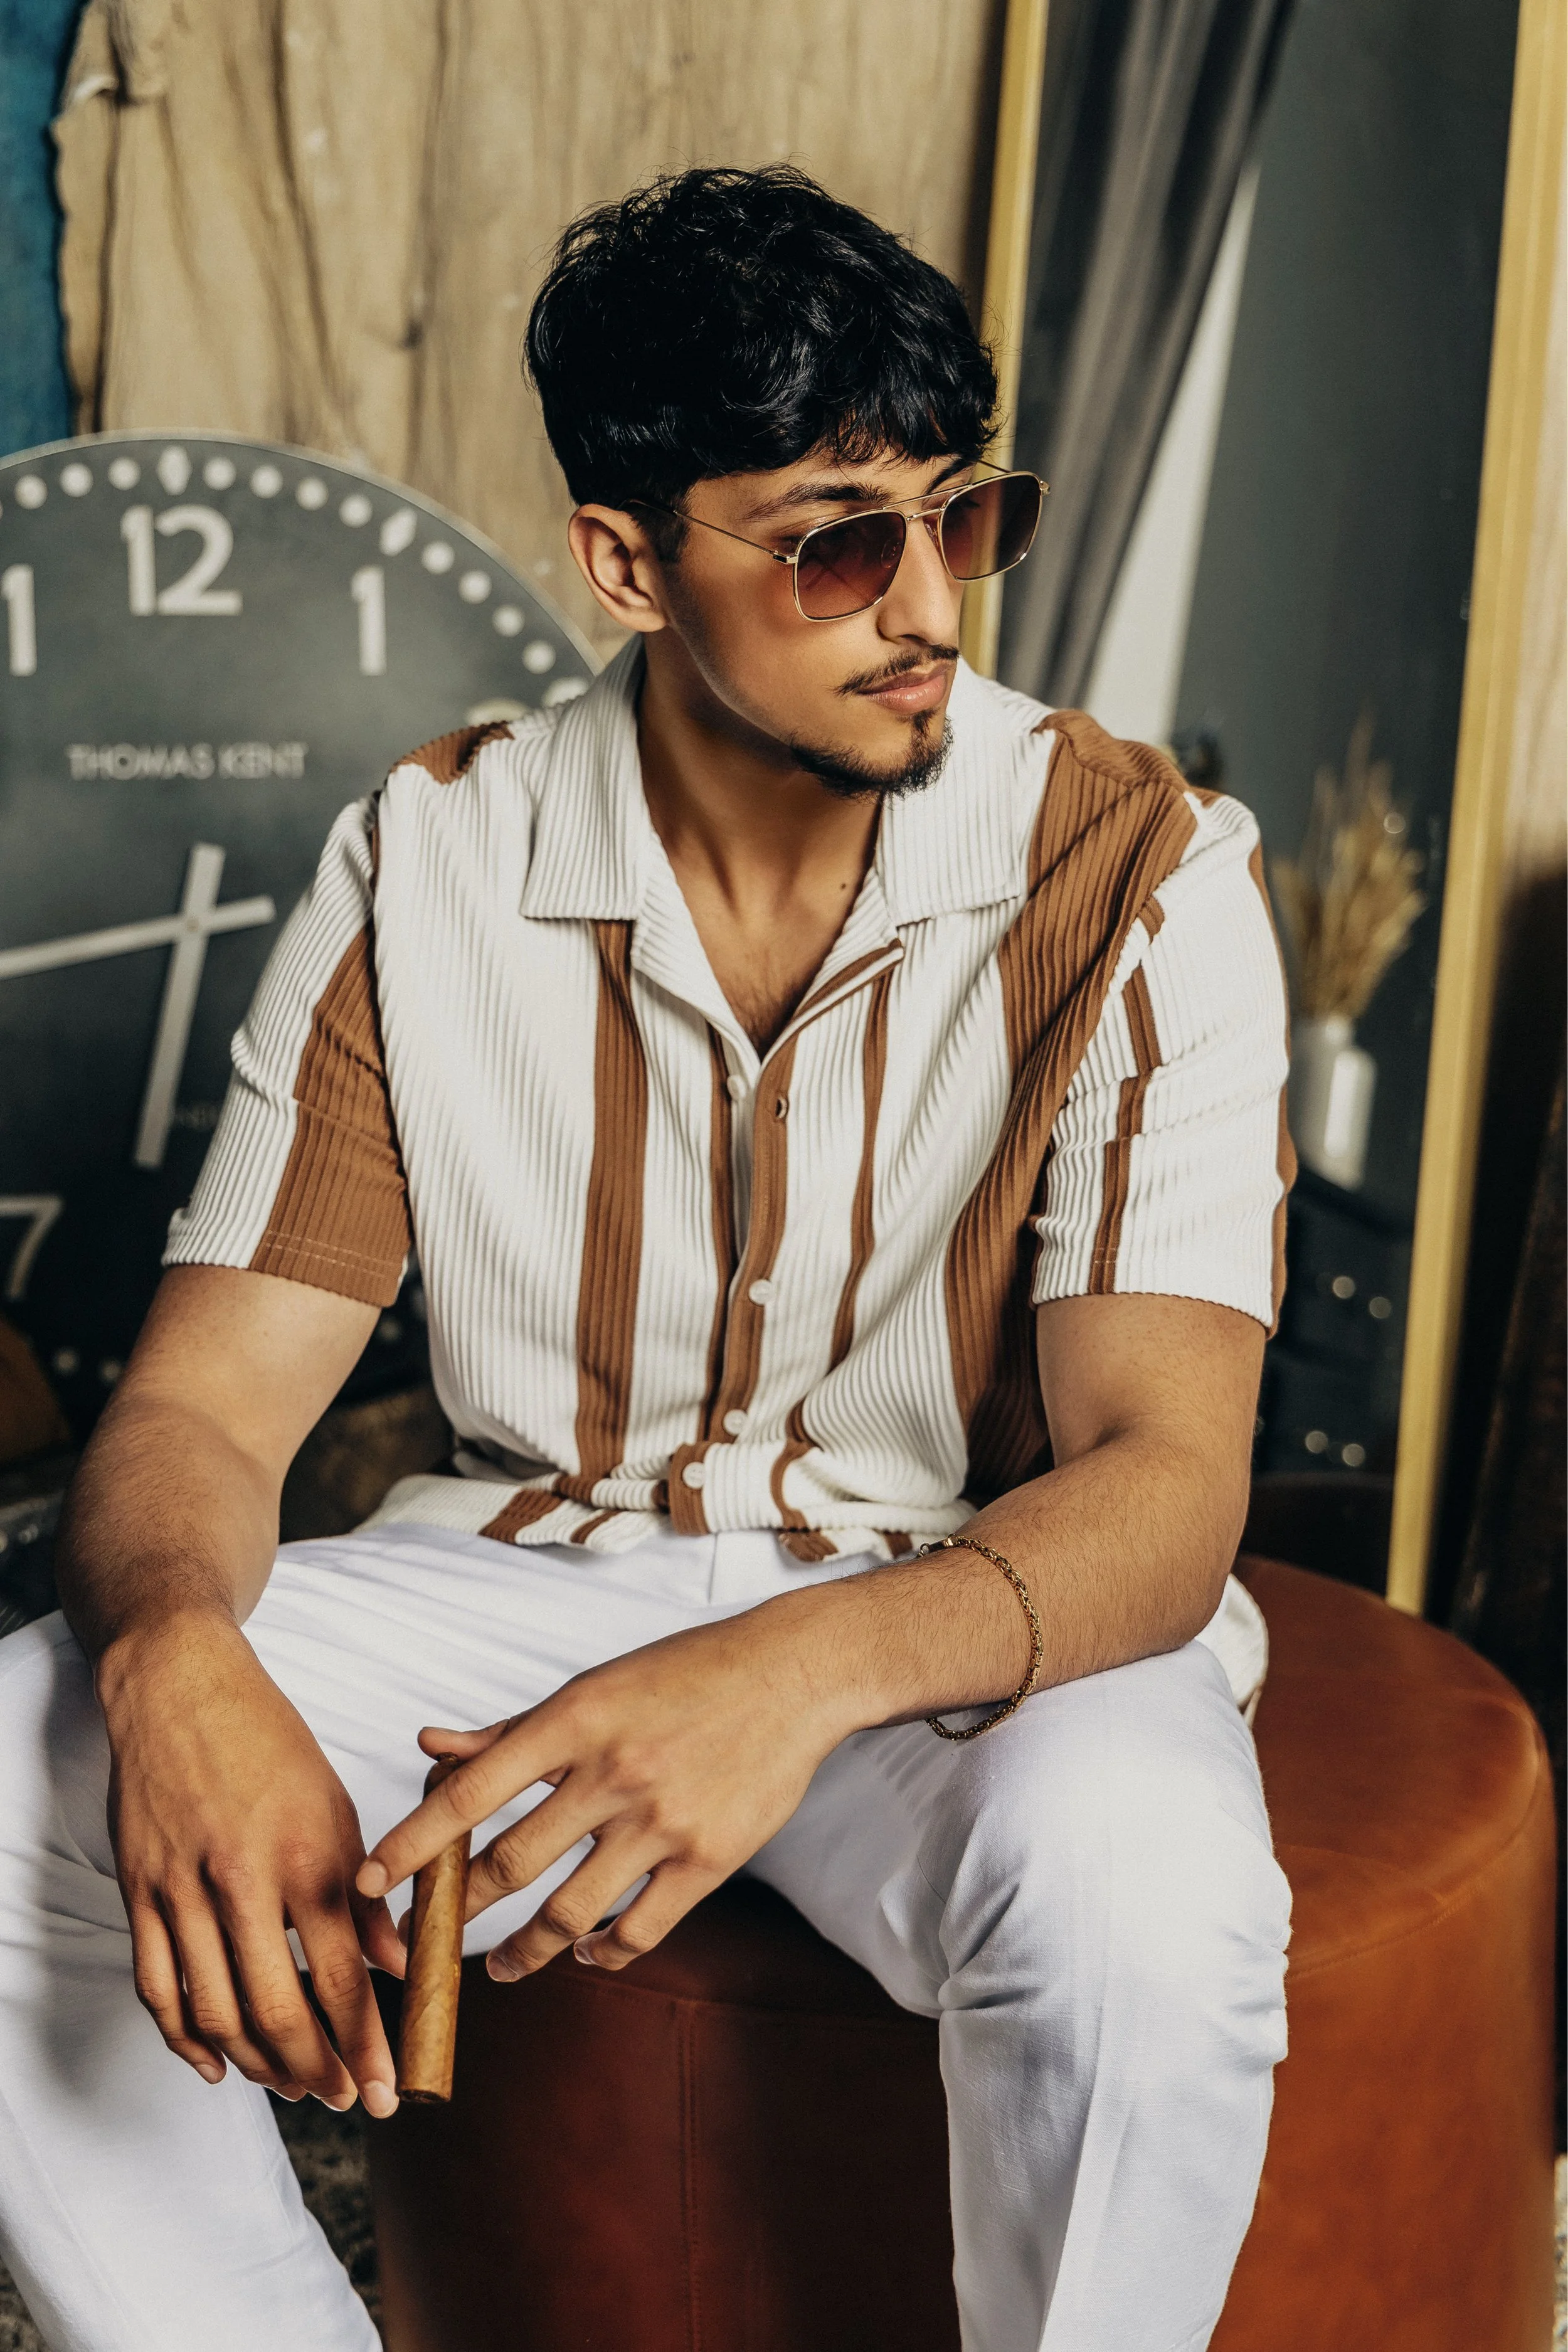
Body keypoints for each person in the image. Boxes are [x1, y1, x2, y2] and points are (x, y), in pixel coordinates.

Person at [0, 166, 1293, 2352]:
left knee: (1146, 1898)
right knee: (15, 1758)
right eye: (834, 542)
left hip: (959, 1608)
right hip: (530, 1568)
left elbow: (1165, 1480)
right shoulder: (430, 855)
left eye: (960, 519)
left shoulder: (1137, 867)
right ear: (623, 560)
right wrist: (171, 1662)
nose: (928, 607)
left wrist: (780, 1676)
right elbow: (205, 1407)